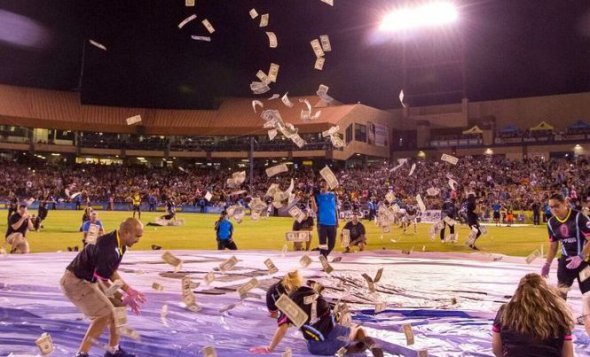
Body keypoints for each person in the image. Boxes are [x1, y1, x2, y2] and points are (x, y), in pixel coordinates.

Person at [60, 218, 146, 357]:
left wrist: (128, 290)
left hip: (89, 280)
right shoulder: (109, 248)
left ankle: (113, 350)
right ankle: (82, 354)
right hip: (76, 282)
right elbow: (102, 281)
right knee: (103, 314)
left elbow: (110, 272)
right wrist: (124, 296)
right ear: (126, 232)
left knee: (119, 307)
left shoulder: (119, 243)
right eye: (137, 236)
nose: (139, 239)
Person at [251, 270, 383, 356]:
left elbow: (282, 328)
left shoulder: (287, 304)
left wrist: (270, 348)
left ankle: (344, 350)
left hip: (316, 348)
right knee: (358, 329)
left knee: (311, 335)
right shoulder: (311, 291)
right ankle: (371, 346)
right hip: (336, 334)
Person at [541, 192, 590, 336]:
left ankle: (587, 318)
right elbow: (553, 246)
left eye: (557, 206)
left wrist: (581, 256)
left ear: (565, 204)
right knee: (561, 293)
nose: (554, 209)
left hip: (584, 263)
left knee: (587, 294)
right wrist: (547, 264)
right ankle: (560, 322)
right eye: (551, 207)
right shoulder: (551, 223)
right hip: (566, 262)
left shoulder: (579, 217)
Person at [492, 273, 574, 357]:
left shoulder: (505, 311)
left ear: (519, 291)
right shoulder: (559, 314)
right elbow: (568, 355)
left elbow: (496, 350)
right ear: (546, 292)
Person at [311, 180, 338, 257]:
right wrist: (312, 198)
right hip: (322, 223)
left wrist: (337, 221)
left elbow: (335, 209)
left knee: (332, 244)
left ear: (328, 186)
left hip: (332, 223)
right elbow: (315, 210)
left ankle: (322, 255)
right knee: (323, 245)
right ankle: (324, 262)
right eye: (321, 185)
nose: (323, 187)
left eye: (324, 185)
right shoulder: (317, 196)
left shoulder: (333, 195)